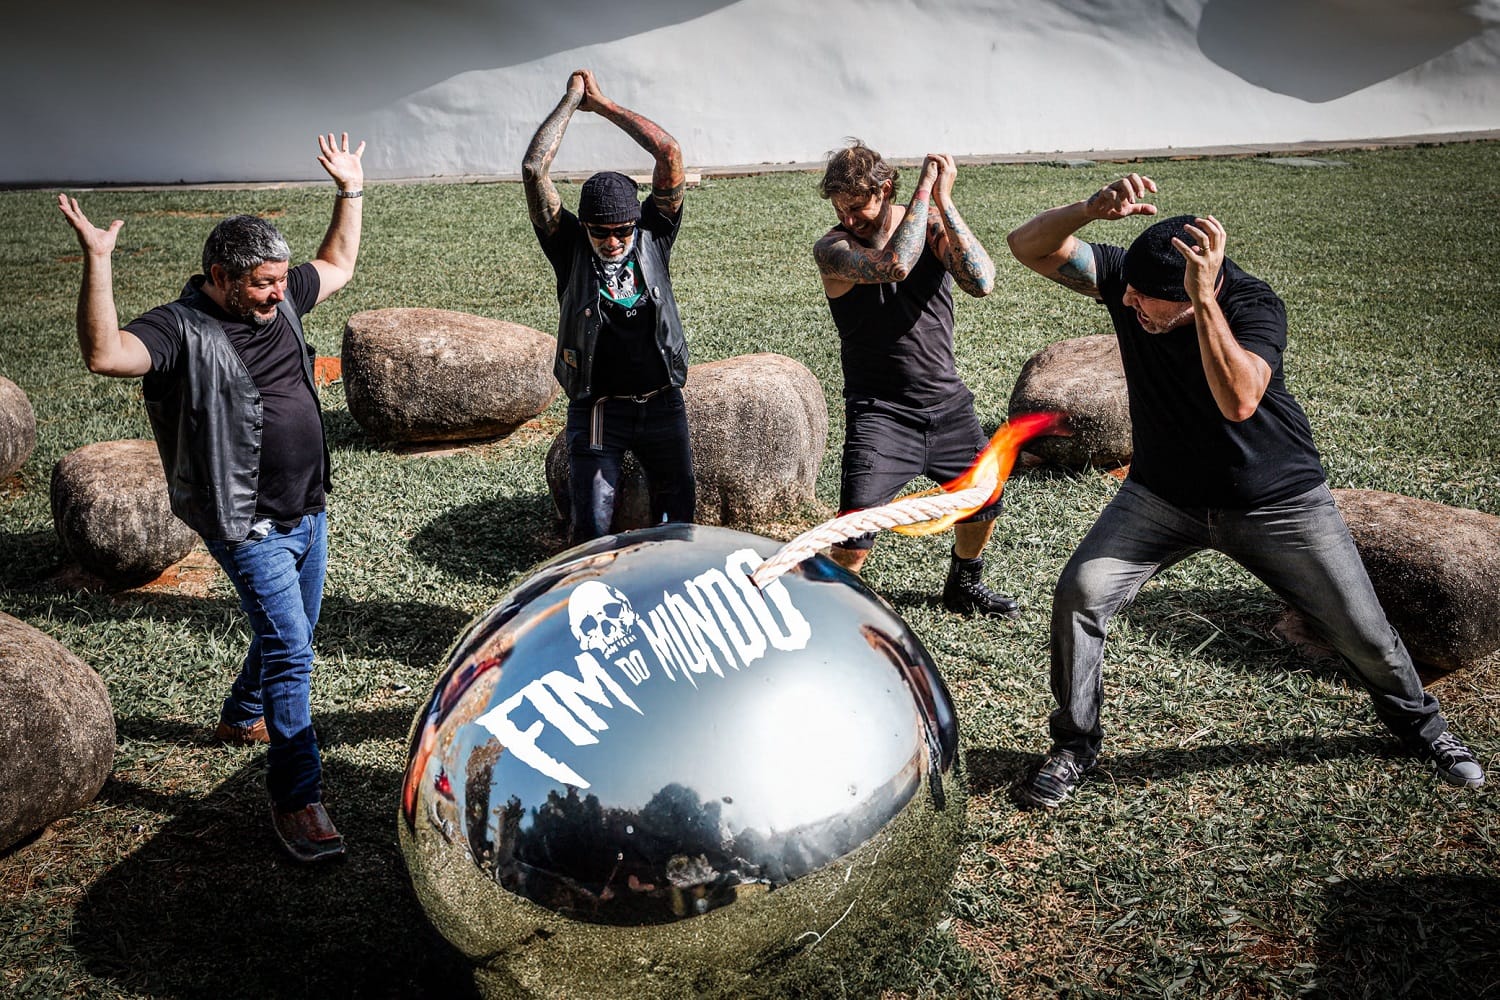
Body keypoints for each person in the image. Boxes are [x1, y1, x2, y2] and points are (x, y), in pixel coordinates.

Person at [1005, 173, 1485, 806]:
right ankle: (1074, 744)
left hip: (1276, 501)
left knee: (1363, 631)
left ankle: (1423, 727)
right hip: (1161, 497)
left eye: (1148, 300)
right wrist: (1087, 210)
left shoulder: (1253, 306)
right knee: (1081, 594)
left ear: (1198, 292)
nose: (1128, 304)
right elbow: (1026, 246)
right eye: (1129, 292)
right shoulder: (1132, 282)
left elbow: (1238, 400)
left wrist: (1204, 303)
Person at [57, 132, 367, 860]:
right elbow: (106, 355)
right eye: (261, 284)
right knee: (292, 650)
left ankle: (240, 713)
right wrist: (98, 262)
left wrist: (350, 190)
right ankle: (297, 799)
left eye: (279, 281)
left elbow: (338, 264)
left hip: (308, 508)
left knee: (293, 634)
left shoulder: (281, 296)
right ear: (220, 277)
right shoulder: (178, 329)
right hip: (246, 522)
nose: (277, 294)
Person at [814, 140, 1018, 617]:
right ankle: (831, 610)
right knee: (853, 535)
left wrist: (943, 202)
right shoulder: (833, 249)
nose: (848, 219)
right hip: (880, 414)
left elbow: (982, 282)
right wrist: (925, 187)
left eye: (857, 208)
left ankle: (964, 583)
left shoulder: (930, 227)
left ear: (885, 190)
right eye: (840, 210)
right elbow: (896, 265)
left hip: (947, 403)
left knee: (983, 500)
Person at [523, 69, 695, 544]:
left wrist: (602, 106)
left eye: (623, 230)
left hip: (662, 403)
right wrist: (571, 101)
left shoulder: (655, 234)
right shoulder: (569, 248)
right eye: (601, 232)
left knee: (678, 525)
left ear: (637, 222)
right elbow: (535, 170)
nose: (614, 241)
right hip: (598, 408)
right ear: (585, 228)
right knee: (591, 531)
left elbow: (669, 152)